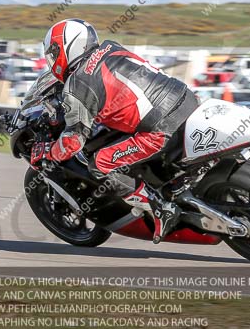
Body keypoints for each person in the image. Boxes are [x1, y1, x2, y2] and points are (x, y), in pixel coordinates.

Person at [30, 19, 199, 243]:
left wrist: (48, 152)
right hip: (187, 99)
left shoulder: (77, 86)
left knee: (99, 164)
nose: (52, 59)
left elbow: (73, 143)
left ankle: (160, 207)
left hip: (159, 129)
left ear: (66, 48)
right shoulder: (111, 47)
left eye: (53, 52)